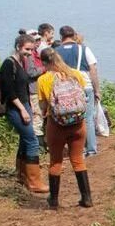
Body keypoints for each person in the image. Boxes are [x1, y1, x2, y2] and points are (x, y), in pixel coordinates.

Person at [37, 48, 92, 208]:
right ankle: (86, 198)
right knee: (78, 160)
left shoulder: (44, 79)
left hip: (56, 126)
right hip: (78, 125)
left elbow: (43, 106)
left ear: (45, 63)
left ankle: (53, 200)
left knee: (55, 161)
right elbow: (82, 96)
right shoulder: (75, 74)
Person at [0, 34, 48, 194]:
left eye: (31, 50)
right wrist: (22, 109)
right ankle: (34, 182)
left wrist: (30, 108)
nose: (29, 53)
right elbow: (9, 91)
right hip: (15, 108)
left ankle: (21, 175)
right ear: (18, 47)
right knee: (32, 140)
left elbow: (23, 86)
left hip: (25, 105)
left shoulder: (22, 62)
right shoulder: (8, 64)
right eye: (27, 49)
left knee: (24, 139)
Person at [54, 26, 101, 156]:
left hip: (65, 88)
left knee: (70, 118)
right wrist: (97, 90)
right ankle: (91, 149)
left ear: (61, 37)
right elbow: (93, 70)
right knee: (88, 118)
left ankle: (78, 149)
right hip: (85, 85)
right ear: (74, 35)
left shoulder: (56, 52)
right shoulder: (84, 49)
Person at [18, 29, 47, 146]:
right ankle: (39, 145)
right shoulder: (30, 56)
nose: (38, 42)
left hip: (38, 88)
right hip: (34, 90)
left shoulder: (36, 53)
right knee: (37, 117)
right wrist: (44, 68)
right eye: (35, 41)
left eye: (39, 40)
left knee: (41, 116)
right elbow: (31, 72)